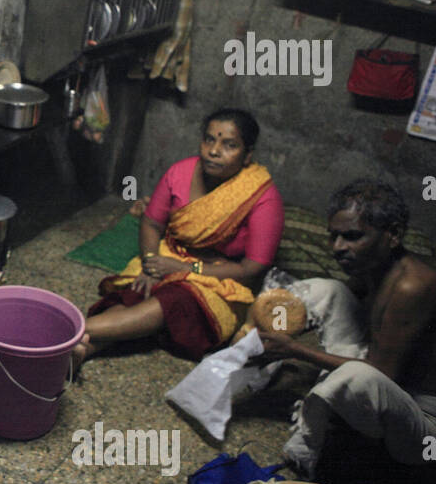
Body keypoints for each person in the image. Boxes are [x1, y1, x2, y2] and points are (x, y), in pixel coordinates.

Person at [254, 180, 436, 476]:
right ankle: (258, 370)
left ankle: (309, 451)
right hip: (391, 381)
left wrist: (294, 351)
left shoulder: (413, 286)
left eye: (352, 237)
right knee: (328, 290)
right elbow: (333, 310)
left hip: (427, 429)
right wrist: (274, 330)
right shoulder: (371, 267)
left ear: (393, 234)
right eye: (333, 237)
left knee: (356, 377)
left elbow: (380, 374)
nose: (337, 248)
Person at [73, 108, 284, 367]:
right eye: (209, 140)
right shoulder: (180, 173)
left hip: (220, 278)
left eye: (229, 145)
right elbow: (151, 222)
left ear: (247, 154)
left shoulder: (261, 196)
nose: (214, 151)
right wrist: (151, 263)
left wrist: (186, 268)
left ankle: (68, 330)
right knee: (138, 292)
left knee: (174, 300)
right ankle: (82, 349)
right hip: (167, 256)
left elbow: (252, 268)